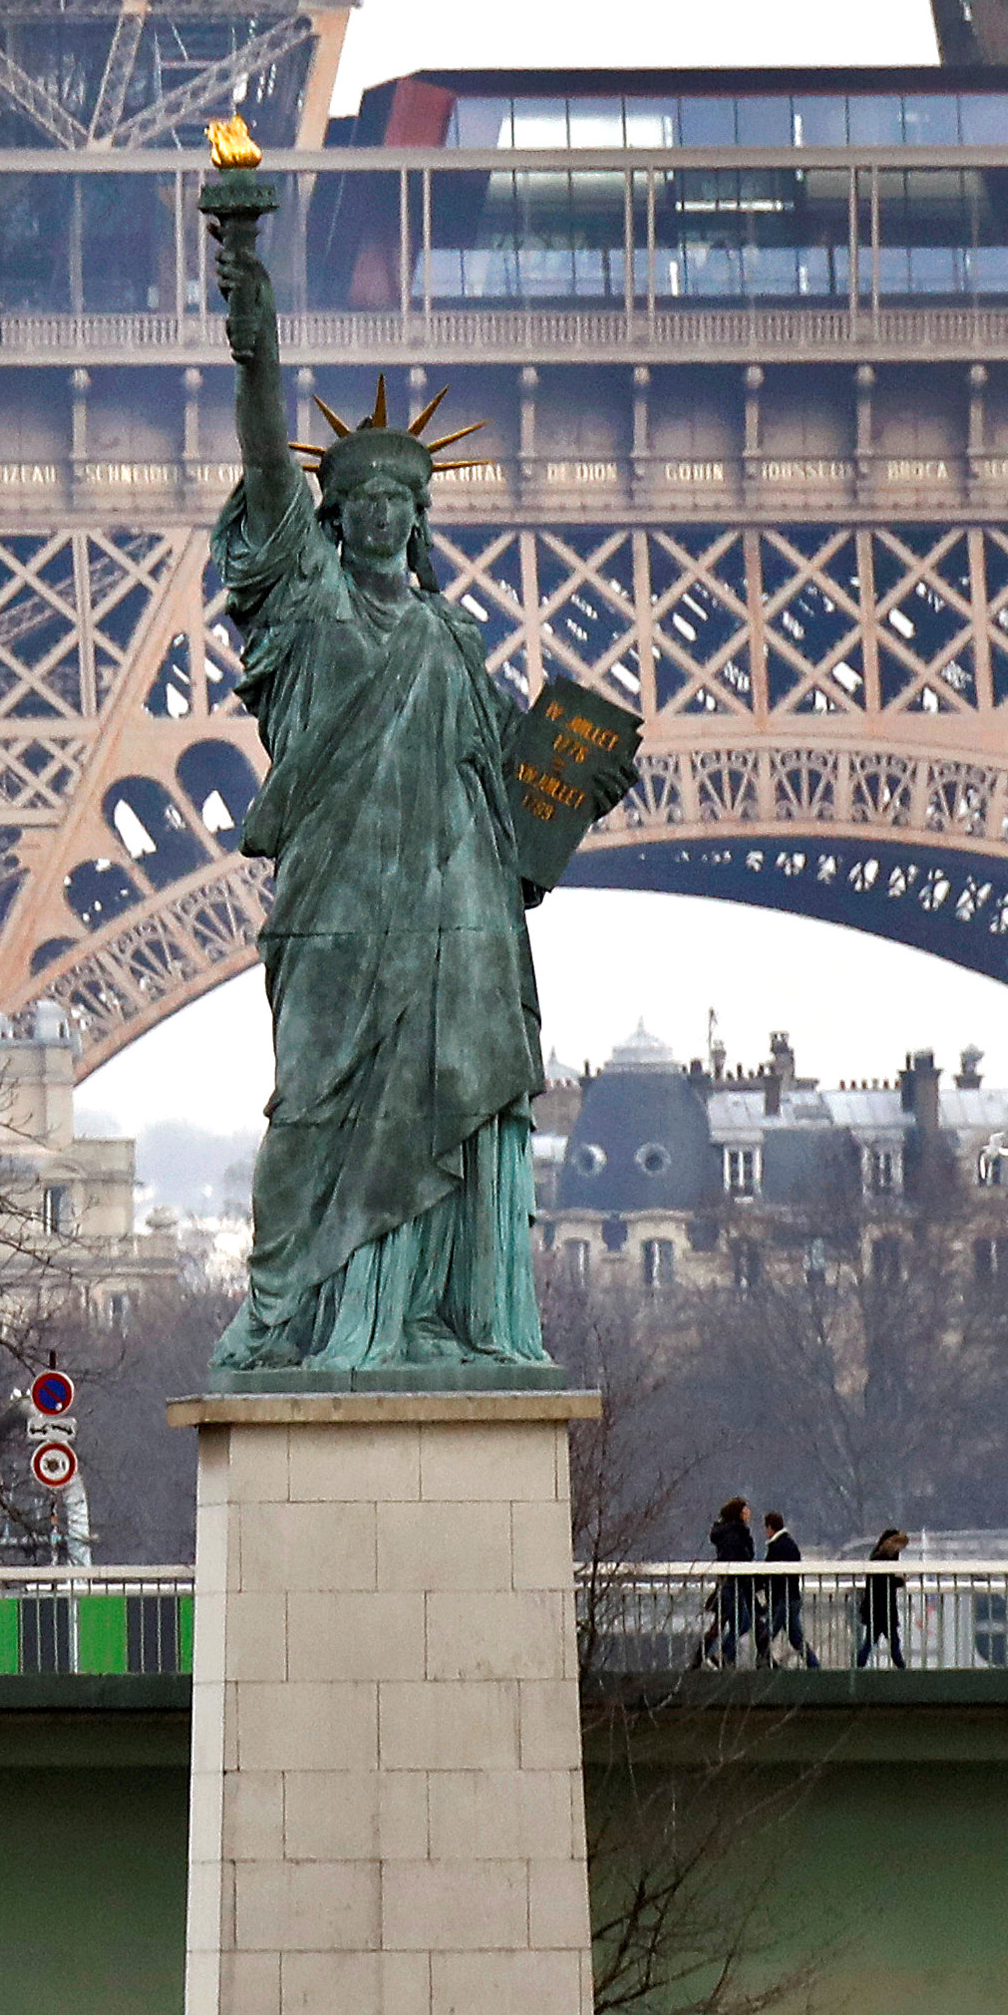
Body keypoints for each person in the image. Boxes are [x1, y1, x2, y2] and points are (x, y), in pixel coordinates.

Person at [201, 186, 629, 1377]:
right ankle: (287, 1304)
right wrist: (254, 300)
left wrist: (582, 779)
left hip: (447, 916)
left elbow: (511, 784)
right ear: (332, 516)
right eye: (365, 497)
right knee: (311, 1108)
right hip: (338, 900)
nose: (386, 511)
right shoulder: (305, 599)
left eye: (405, 496)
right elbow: (257, 431)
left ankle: (426, 1314)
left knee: (449, 1087)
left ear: (419, 514)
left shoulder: (449, 638)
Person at [707, 1496, 759, 1666]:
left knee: (733, 1622)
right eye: (745, 1509)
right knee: (743, 1622)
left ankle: (722, 1655)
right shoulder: (734, 1533)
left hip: (731, 1583)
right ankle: (722, 1653)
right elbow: (738, 1556)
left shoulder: (730, 1531)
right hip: (733, 1583)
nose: (748, 1513)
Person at [763, 1509, 817, 1667]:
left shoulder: (778, 1547)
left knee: (767, 1635)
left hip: (782, 1599)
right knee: (796, 1638)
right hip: (790, 1597)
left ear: (770, 1527)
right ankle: (814, 1666)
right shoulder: (788, 1544)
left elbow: (771, 1573)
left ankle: (763, 1664)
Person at [858, 1528, 910, 1668]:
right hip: (882, 1608)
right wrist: (901, 1581)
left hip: (876, 1608)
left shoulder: (877, 1556)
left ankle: (857, 1669)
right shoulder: (882, 1558)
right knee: (891, 1643)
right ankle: (902, 1669)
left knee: (870, 1642)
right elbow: (884, 1582)